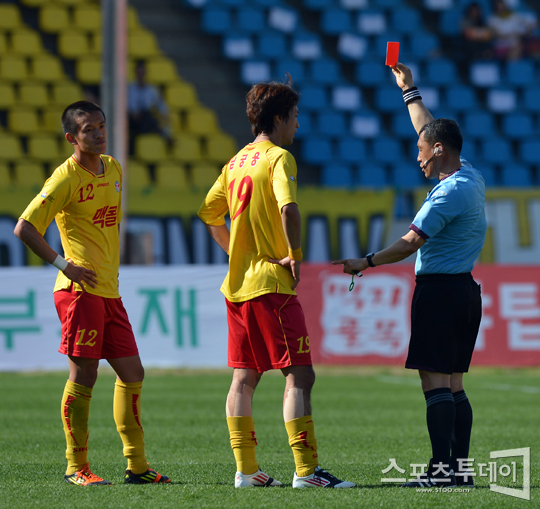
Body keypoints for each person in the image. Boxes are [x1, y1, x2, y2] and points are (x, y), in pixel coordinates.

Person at [333, 63, 487, 488]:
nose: (416, 155)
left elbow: (409, 243)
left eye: (421, 149)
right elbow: (427, 127)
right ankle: (459, 472)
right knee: (454, 383)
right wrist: (409, 90)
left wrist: (365, 262)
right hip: (465, 291)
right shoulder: (469, 176)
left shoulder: (446, 195)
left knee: (435, 381)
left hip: (439, 293)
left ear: (438, 150)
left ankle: (440, 472)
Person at [197, 78, 355, 489]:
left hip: (237, 287)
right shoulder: (278, 159)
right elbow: (289, 208)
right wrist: (295, 255)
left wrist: (236, 254)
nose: (298, 125)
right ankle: (306, 472)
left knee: (243, 378)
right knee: (299, 376)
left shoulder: (234, 163)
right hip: (271, 284)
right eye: (296, 117)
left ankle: (246, 471)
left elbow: (209, 213)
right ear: (280, 118)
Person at [14, 101, 170, 486]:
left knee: (133, 373)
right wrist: (63, 264)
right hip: (78, 291)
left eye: (102, 126)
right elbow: (24, 228)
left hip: (108, 292)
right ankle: (75, 467)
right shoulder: (64, 179)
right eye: (89, 129)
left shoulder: (113, 168)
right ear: (72, 138)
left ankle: (136, 466)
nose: (99, 133)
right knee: (84, 375)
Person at [128, 60, 172, 154]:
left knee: (149, 116)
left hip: (145, 119)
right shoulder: (129, 89)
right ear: (135, 73)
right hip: (131, 119)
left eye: (142, 72)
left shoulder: (152, 90)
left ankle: (165, 137)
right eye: (139, 72)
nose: (141, 75)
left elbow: (162, 108)